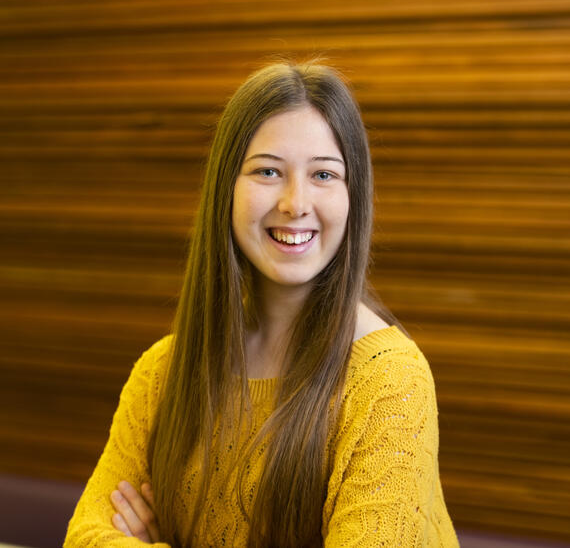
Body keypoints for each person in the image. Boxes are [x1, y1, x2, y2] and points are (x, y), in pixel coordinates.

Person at [64, 61, 459, 547]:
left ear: (353, 196)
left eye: (324, 174)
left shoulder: (388, 381)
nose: (295, 202)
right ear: (225, 189)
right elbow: (84, 537)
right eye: (268, 171)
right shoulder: (161, 373)